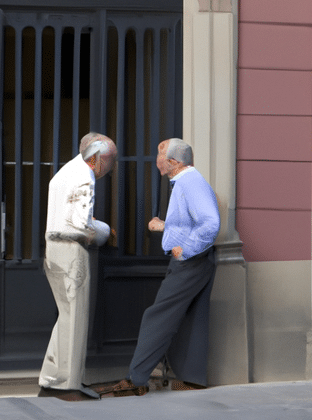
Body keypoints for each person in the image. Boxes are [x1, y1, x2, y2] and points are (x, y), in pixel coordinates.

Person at [99, 138, 220, 397]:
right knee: (192, 318)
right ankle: (192, 379)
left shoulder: (189, 182)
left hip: (190, 262)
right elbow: (193, 222)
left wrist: (185, 249)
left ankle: (136, 380)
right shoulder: (189, 181)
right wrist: (166, 226)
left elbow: (210, 224)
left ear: (174, 162)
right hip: (199, 260)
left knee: (156, 316)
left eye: (159, 154)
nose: (156, 160)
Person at [38, 134, 117, 400]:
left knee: (65, 317)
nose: (109, 167)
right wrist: (104, 231)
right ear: (97, 158)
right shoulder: (84, 175)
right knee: (76, 320)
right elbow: (80, 225)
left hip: (53, 248)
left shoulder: (63, 173)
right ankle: (69, 385)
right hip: (72, 251)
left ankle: (51, 379)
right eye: (109, 161)